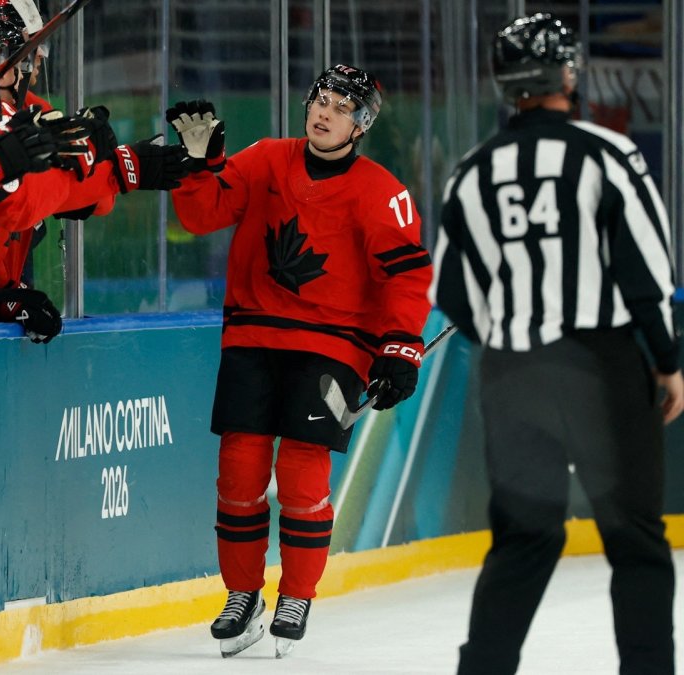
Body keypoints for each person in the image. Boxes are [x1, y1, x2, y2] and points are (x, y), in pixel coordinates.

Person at [431, 14, 682, 675]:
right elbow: (646, 273)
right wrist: (668, 361)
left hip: (512, 373)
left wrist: (511, 339)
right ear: (568, 74)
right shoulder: (608, 154)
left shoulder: (471, 172)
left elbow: (451, 294)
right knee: (636, 542)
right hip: (603, 368)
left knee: (523, 540)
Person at [168, 65, 433, 658]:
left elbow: (407, 276)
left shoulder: (380, 192)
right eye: (321, 99)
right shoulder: (265, 159)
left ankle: (297, 593)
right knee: (239, 470)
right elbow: (200, 215)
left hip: (333, 345)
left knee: (302, 474)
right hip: (253, 336)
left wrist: (399, 346)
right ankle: (242, 594)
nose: (324, 111)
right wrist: (197, 166)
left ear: (360, 125)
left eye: (342, 106)